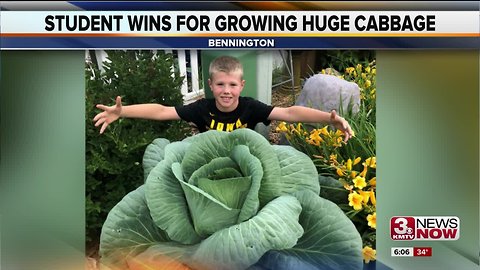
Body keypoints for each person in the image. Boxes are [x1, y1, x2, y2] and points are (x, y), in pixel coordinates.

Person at [93, 55, 354, 142]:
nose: (226, 90)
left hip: (246, 162)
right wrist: (122, 111)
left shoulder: (251, 107)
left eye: (232, 84)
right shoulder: (201, 109)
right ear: (211, 85)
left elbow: (289, 113)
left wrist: (329, 120)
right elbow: (162, 111)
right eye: (220, 84)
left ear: (241, 85)